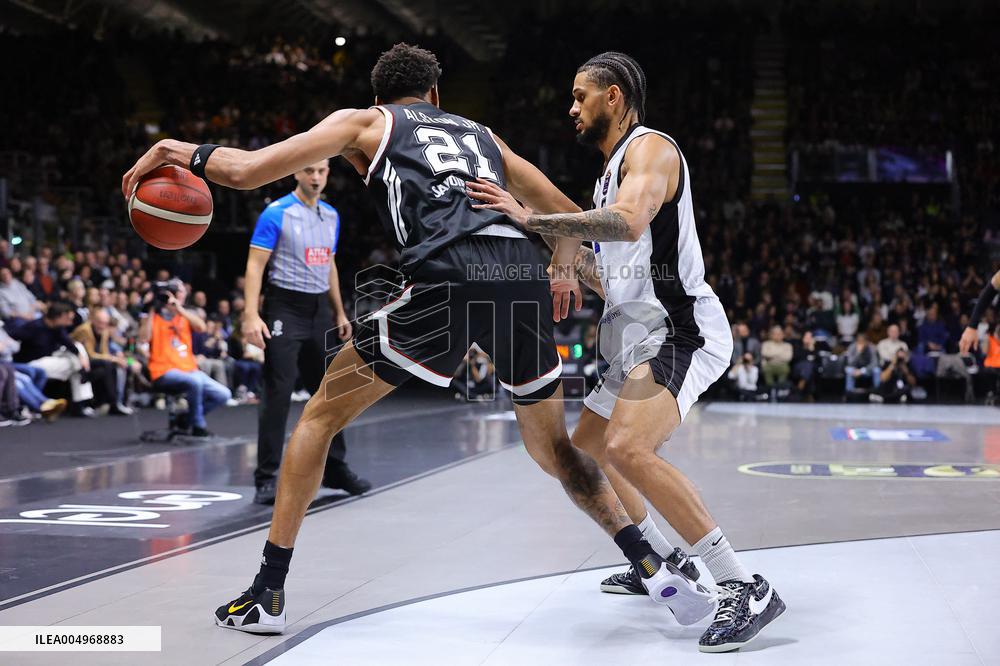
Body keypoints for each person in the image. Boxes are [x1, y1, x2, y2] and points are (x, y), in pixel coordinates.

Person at [124, 43, 691, 641]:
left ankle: (268, 591)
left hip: (448, 279)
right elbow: (561, 207)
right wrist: (563, 265)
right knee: (553, 447)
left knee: (317, 418)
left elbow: (243, 170)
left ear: (379, 97)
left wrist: (170, 150)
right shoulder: (480, 133)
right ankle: (650, 562)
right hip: (517, 273)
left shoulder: (366, 122)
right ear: (436, 95)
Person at [467, 51, 784, 652]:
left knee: (627, 447)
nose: (572, 107)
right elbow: (611, 271)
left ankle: (743, 585)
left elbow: (631, 223)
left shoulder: (651, 150)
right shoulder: (607, 172)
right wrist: (568, 262)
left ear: (613, 97)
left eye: (580, 95)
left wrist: (540, 220)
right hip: (634, 332)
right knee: (587, 447)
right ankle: (667, 562)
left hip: (678, 327)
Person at [242, 159, 370, 505]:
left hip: (318, 311)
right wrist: (251, 314)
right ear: (296, 172)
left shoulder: (331, 215)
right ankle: (266, 477)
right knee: (278, 392)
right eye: (309, 171)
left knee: (330, 392)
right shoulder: (276, 213)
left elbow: (329, 262)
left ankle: (336, 468)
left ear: (328, 174)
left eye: (322, 171)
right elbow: (255, 265)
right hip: (284, 307)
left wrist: (340, 311)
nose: (315, 177)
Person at [140, 281, 231, 437]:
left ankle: (186, 419)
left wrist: (179, 309)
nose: (180, 295)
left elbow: (201, 328)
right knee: (194, 381)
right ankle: (198, 426)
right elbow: (143, 338)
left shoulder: (184, 316)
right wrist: (152, 309)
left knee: (224, 394)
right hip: (163, 371)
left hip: (189, 369)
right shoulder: (154, 317)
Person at [12, 301, 96, 415]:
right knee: (77, 364)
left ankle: (80, 404)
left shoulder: (58, 329)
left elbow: (69, 344)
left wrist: (80, 355)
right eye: (68, 319)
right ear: (58, 316)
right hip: (31, 363)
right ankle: (82, 372)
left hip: (50, 361)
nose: (70, 323)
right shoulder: (33, 327)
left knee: (78, 351)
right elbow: (12, 339)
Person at [71, 309, 133, 415]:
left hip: (98, 363)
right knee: (109, 364)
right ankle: (113, 402)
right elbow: (90, 354)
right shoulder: (85, 330)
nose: (102, 326)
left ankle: (117, 402)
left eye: (105, 324)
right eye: (100, 323)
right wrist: (114, 359)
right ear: (93, 321)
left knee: (116, 366)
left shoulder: (105, 332)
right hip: (80, 361)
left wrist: (118, 359)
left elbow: (105, 352)